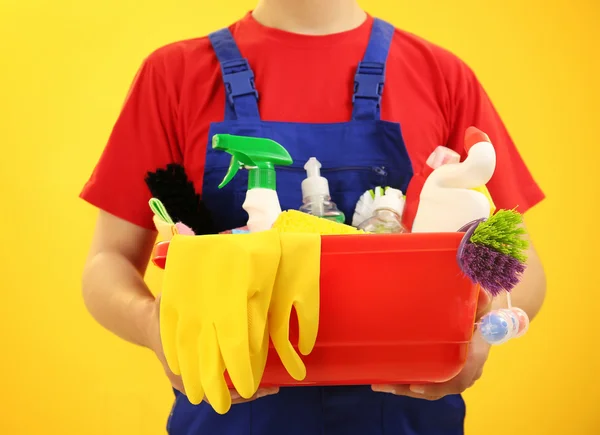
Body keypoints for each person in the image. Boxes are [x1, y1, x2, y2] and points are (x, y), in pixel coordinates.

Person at [80, 0, 547, 433]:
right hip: (231, 411)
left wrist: (483, 332)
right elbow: (109, 260)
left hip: (405, 414)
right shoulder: (173, 76)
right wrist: (153, 325)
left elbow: (518, 264)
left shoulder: (441, 76)